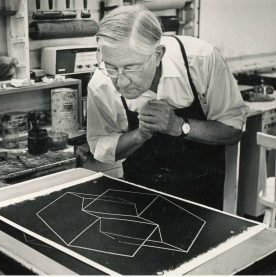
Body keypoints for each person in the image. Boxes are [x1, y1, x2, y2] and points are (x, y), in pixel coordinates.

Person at [87, 4, 248, 210]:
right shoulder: (101, 84)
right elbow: (100, 146)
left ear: (158, 55)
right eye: (110, 67)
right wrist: (140, 135)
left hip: (202, 194)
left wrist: (179, 126)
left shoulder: (201, 60)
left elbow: (233, 131)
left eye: (131, 67)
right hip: (140, 196)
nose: (121, 81)